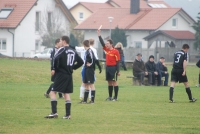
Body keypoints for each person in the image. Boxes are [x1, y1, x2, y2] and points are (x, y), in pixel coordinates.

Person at [44, 36, 84, 119]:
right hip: (69, 75)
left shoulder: (62, 49)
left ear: (64, 41)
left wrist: (53, 69)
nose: (60, 42)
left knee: (52, 92)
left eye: (61, 40)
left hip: (61, 74)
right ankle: (68, 115)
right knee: (66, 93)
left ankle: (54, 113)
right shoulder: (73, 51)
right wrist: (72, 67)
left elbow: (55, 58)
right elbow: (81, 62)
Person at [97, 29, 120, 101]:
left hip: (113, 68)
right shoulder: (106, 50)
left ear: (111, 44)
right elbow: (102, 43)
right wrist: (99, 35)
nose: (106, 44)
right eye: (106, 43)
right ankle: (110, 96)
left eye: (107, 43)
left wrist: (118, 71)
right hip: (108, 68)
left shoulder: (115, 51)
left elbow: (118, 61)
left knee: (114, 82)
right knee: (109, 82)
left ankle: (115, 97)